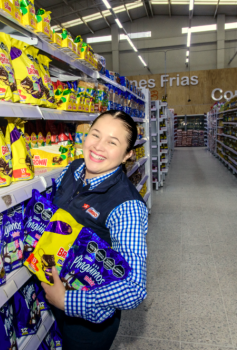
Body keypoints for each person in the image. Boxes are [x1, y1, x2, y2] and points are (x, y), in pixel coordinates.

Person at [41, 110, 148, 350]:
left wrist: (67, 300)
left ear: (127, 155)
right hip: (54, 289)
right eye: (95, 135)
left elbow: (134, 288)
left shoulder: (126, 207)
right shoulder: (74, 168)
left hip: (87, 323)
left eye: (112, 142)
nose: (98, 147)